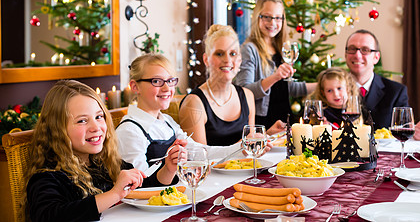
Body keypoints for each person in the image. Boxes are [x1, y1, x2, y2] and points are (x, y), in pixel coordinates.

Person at [116, 54, 269, 185]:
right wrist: (169, 166)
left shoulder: (167, 122)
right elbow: (140, 183)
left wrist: (242, 148)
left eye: (170, 81)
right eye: (156, 81)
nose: (166, 88)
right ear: (135, 87)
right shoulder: (129, 131)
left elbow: (200, 151)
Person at [24, 80, 146, 222]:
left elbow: (143, 186)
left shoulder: (103, 163)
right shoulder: (48, 176)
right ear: (58, 129)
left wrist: (167, 169)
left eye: (99, 117)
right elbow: (51, 216)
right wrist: (115, 194)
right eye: (82, 121)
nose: (96, 127)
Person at [234, 0, 316, 130]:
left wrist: (321, 86)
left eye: (278, 18)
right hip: (263, 123)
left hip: (284, 118)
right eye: (267, 17)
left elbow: (287, 88)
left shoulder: (281, 48)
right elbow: (245, 91)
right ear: (257, 17)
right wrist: (275, 76)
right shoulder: (249, 49)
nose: (273, 23)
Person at [345, 29, 420, 140]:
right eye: (352, 49)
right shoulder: (332, 90)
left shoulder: (396, 91)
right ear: (346, 54)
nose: (357, 55)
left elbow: (405, 129)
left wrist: (417, 132)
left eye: (365, 50)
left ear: (376, 57)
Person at [178, 25, 256, 145]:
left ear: (239, 60)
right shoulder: (193, 104)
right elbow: (198, 158)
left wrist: (269, 134)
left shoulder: (248, 96)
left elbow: (252, 148)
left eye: (233, 54)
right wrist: (241, 146)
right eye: (219, 54)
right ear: (206, 59)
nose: (227, 60)